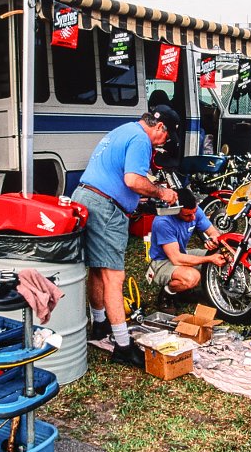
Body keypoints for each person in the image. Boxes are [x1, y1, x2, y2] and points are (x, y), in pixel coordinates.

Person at [71, 107, 181, 368]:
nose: (163, 143)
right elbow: (132, 180)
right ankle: (123, 346)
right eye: (166, 138)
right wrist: (161, 192)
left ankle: (100, 324)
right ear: (160, 127)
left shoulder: (123, 130)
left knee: (97, 269)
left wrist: (138, 197)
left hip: (85, 197)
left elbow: (118, 176)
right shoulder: (141, 139)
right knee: (114, 276)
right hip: (105, 207)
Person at [147, 188, 227, 315]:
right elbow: (176, 259)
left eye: (194, 213)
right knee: (192, 277)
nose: (193, 217)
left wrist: (213, 239)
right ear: (175, 210)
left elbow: (213, 232)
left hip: (182, 253)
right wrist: (209, 259)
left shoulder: (194, 211)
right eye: (188, 215)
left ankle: (185, 293)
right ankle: (167, 295)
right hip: (162, 261)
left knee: (222, 255)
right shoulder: (163, 222)